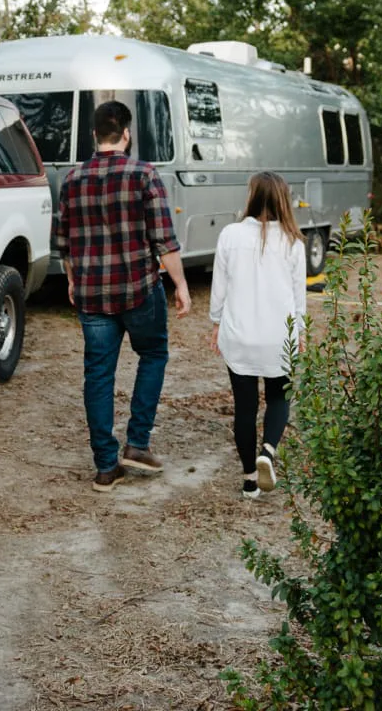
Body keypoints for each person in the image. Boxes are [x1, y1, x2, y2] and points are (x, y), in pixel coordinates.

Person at [54, 99, 192, 492]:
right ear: (126, 134)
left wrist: (72, 279)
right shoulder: (145, 175)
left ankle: (104, 467)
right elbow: (164, 241)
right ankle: (137, 443)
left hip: (91, 293)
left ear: (94, 135)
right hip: (138, 289)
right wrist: (181, 285)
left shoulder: (72, 178)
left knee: (97, 374)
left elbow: (63, 243)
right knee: (153, 354)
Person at [209, 171, 308, 498]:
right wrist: (302, 332)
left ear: (252, 196)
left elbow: (219, 288)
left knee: (245, 408)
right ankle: (268, 451)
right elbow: (298, 297)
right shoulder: (294, 241)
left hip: (239, 336)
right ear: (283, 200)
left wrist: (215, 322)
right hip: (279, 337)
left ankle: (250, 479)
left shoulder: (230, 234)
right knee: (279, 398)